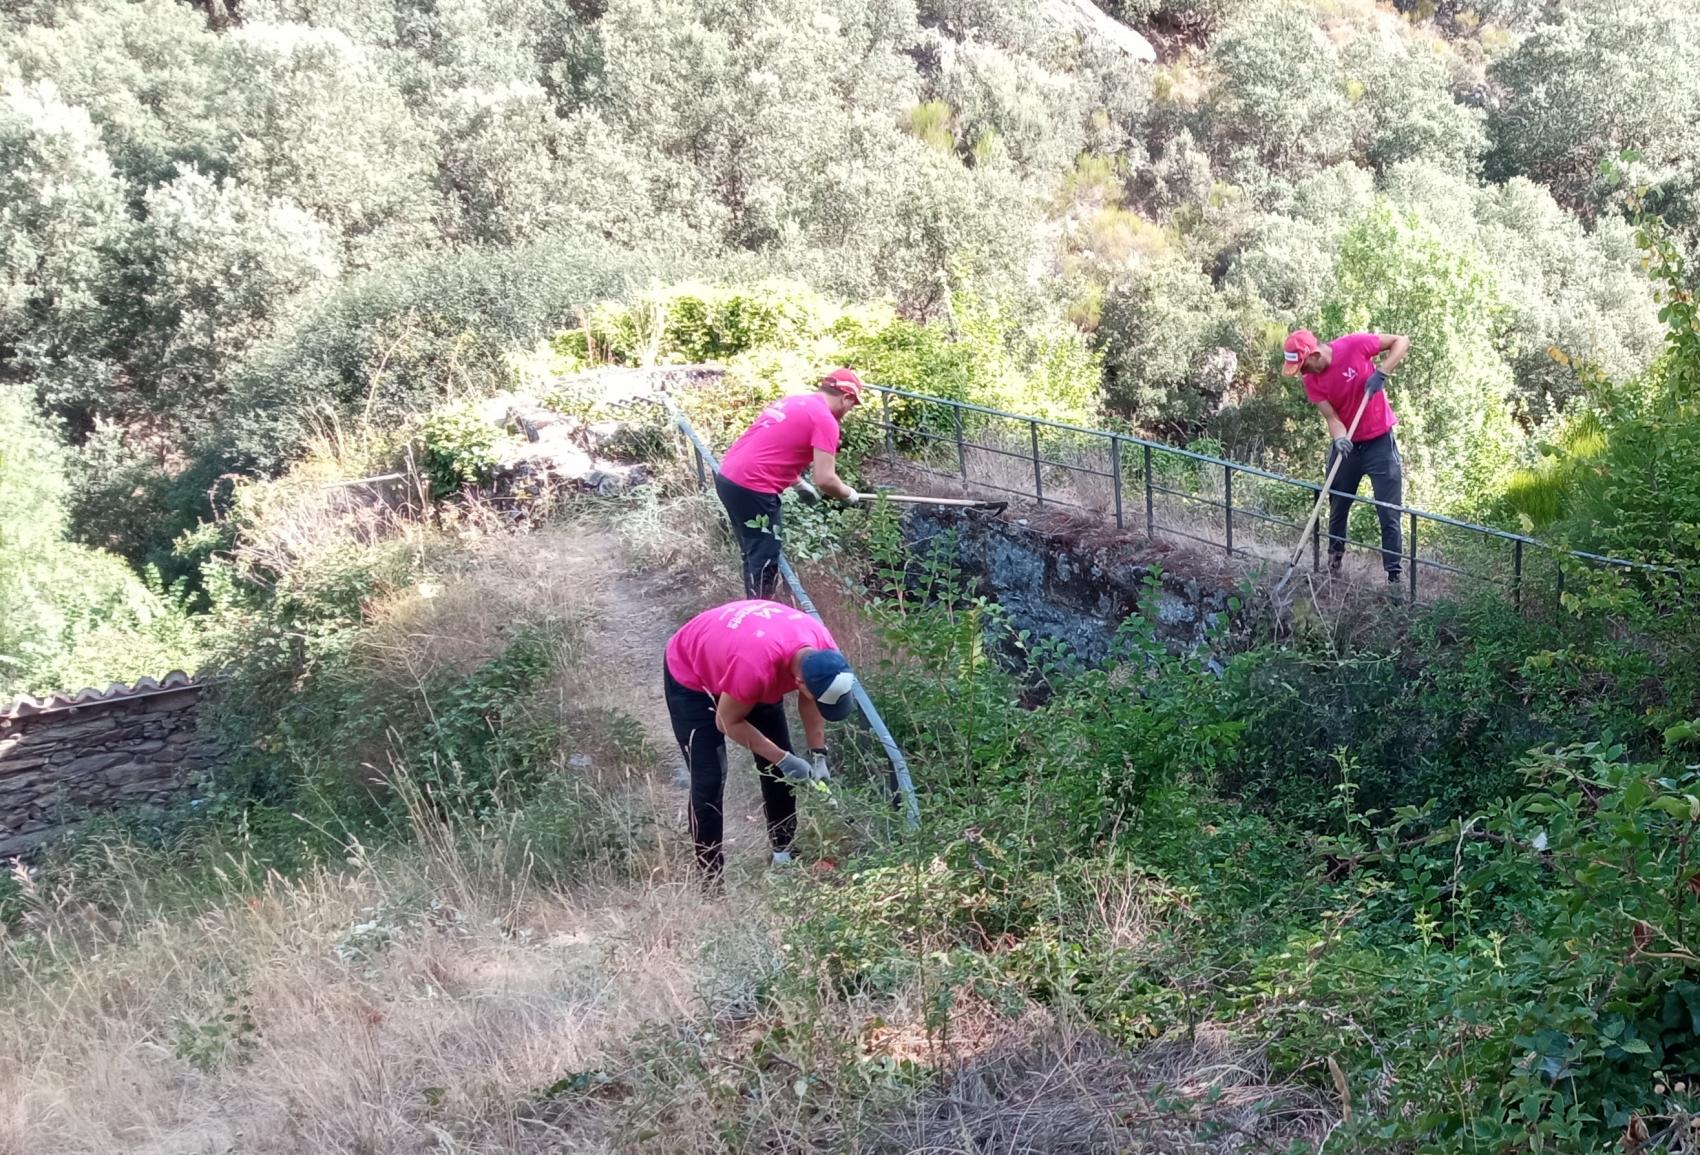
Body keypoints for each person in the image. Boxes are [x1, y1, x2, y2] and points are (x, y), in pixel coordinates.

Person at [662, 598, 859, 885]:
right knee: (710, 778)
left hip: (749, 656)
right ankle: (710, 880)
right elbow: (727, 722)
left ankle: (783, 854)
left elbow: (811, 702)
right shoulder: (754, 668)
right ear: (800, 681)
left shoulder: (824, 651)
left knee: (780, 772)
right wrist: (784, 758)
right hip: (692, 672)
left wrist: (819, 755)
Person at [715, 368, 863, 599]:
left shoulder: (794, 401)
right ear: (847, 397)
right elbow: (825, 479)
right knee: (764, 558)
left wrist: (798, 484)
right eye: (852, 405)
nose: (849, 410)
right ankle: (761, 617)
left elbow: (772, 447)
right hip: (754, 487)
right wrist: (848, 494)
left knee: (752, 551)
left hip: (729, 479)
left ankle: (753, 609)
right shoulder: (825, 420)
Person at [1284, 329, 1411, 583]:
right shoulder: (1311, 381)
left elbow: (1402, 341)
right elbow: (1332, 418)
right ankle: (1334, 564)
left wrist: (1382, 372)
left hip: (1380, 443)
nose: (1302, 373)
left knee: (1388, 511)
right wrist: (1339, 438)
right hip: (1348, 447)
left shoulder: (1354, 346)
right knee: (1338, 504)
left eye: (1303, 365)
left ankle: (1394, 576)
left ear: (1315, 354)